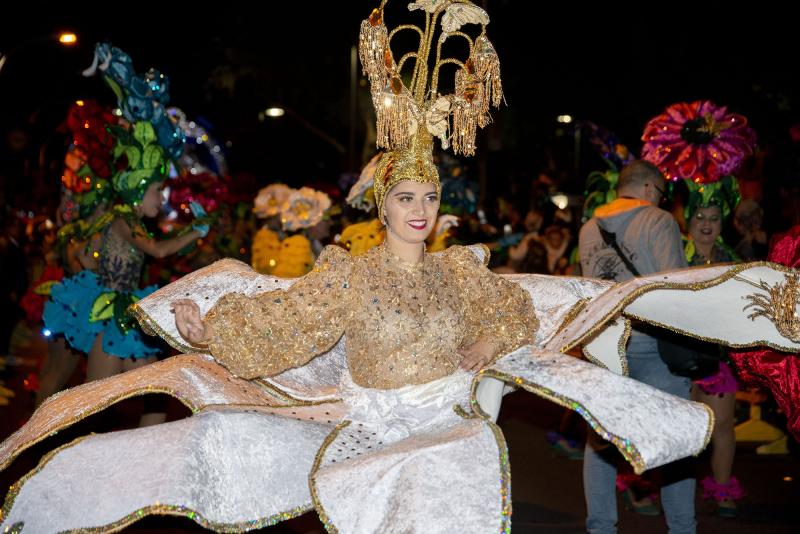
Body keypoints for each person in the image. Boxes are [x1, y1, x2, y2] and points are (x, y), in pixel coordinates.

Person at [579, 159, 696, 533]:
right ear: (648, 189)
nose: (662, 202)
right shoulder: (658, 221)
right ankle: (682, 528)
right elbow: (674, 286)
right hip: (651, 345)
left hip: (604, 345)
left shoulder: (587, 229)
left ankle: (601, 528)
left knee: (600, 442)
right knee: (675, 439)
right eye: (661, 194)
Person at [685, 199, 743, 517]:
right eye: (700, 217)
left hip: (716, 351)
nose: (707, 224)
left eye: (714, 218)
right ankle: (655, 487)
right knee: (678, 425)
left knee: (721, 424)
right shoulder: (673, 252)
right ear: (688, 221)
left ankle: (721, 489)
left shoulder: (730, 260)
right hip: (674, 350)